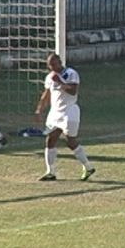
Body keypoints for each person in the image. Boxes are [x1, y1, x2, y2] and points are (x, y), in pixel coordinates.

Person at [34, 53, 95, 181]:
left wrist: (60, 81)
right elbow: (46, 94)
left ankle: (88, 167)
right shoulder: (50, 77)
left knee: (70, 141)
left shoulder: (71, 73)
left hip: (69, 111)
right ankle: (50, 171)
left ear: (60, 62)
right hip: (55, 113)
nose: (52, 68)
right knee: (50, 140)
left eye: (54, 64)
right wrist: (39, 109)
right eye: (50, 66)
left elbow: (73, 91)